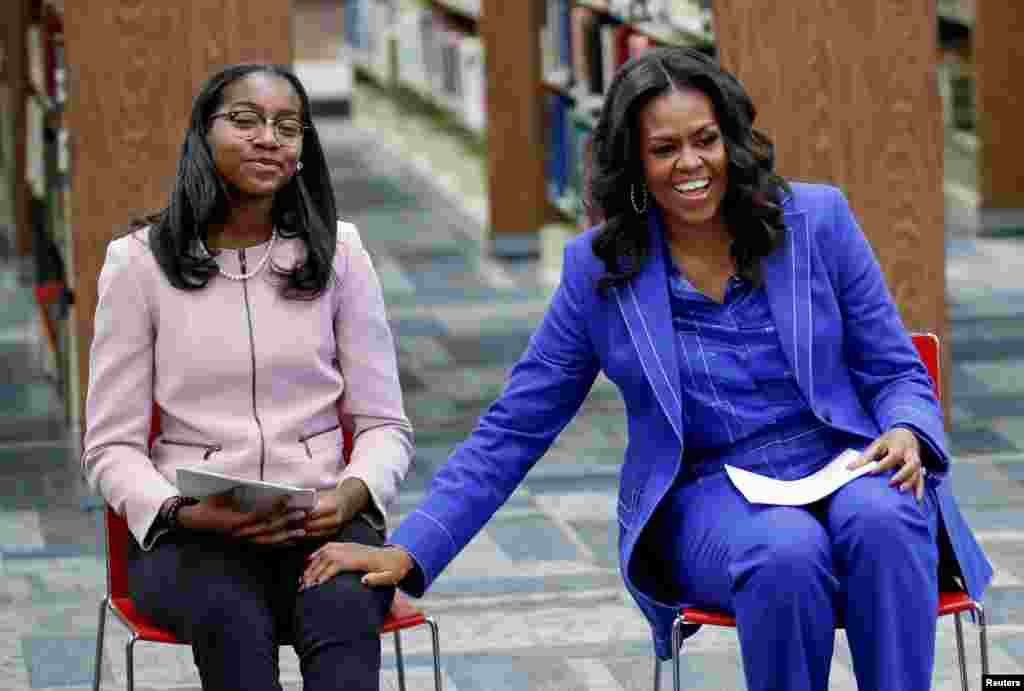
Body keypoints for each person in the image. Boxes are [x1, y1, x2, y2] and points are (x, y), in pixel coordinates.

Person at [300, 48, 993, 691]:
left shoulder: (817, 220)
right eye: (664, 149)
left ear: (732, 140)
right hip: (708, 488)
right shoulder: (599, 270)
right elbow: (517, 424)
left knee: (888, 518)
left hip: (841, 457)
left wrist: (907, 426)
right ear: (633, 163)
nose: (691, 163)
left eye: (706, 140)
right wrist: (415, 548)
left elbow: (894, 366)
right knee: (785, 554)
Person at [81, 63, 412, 691]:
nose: (269, 138)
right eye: (245, 121)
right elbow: (110, 447)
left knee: (342, 617)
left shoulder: (339, 254)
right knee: (233, 626)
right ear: (202, 135)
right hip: (194, 534)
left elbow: (383, 424)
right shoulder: (136, 266)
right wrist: (180, 511)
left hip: (321, 519)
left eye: (288, 127)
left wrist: (349, 493)